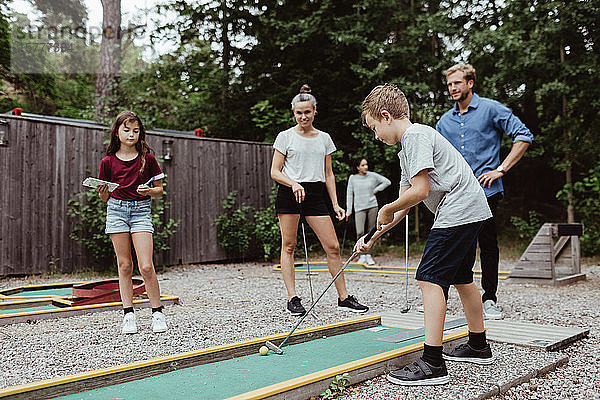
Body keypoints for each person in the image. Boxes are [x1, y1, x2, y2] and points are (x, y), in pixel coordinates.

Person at [355, 83, 494, 386]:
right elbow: (403, 206)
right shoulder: (408, 149)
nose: (375, 135)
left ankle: (432, 362)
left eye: (374, 127)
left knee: (429, 278)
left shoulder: (416, 135)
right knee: (461, 278)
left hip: (459, 209)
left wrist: (387, 207)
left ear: (386, 116)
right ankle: (479, 345)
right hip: (470, 209)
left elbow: (420, 191)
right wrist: (371, 238)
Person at [436, 64, 534, 320]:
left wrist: (501, 169)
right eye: (449, 84)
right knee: (459, 246)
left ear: (470, 83)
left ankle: (489, 299)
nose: (452, 88)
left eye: (457, 83)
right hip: (456, 195)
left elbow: (523, 136)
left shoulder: (491, 109)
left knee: (487, 245)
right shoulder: (444, 122)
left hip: (487, 191)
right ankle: (454, 302)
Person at [270, 84, 369, 316]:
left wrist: (335, 203)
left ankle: (344, 298)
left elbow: (328, 174)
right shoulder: (285, 137)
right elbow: (275, 171)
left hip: (315, 195)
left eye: (307, 112)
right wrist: (293, 183)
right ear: (293, 112)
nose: (303, 116)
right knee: (289, 246)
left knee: (333, 247)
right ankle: (292, 298)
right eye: (298, 112)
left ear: (315, 111)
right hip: (290, 192)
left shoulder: (324, 138)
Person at [97, 111, 168, 334]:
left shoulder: (147, 159)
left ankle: (157, 313)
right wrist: (102, 191)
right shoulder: (107, 161)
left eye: (135, 131)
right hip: (116, 211)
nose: (131, 134)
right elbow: (104, 197)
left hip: (140, 212)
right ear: (117, 132)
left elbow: (159, 190)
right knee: (125, 265)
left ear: (140, 133)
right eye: (126, 130)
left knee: (146, 266)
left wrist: (149, 190)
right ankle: (128, 314)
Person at [346, 157, 391, 265]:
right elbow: (349, 194)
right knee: (360, 232)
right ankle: (361, 255)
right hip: (359, 208)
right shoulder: (353, 178)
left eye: (366, 164)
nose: (366, 167)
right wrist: (348, 210)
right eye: (363, 165)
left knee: (372, 231)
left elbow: (387, 182)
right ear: (357, 167)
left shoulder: (372, 175)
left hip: (372, 206)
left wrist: (375, 190)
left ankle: (369, 255)